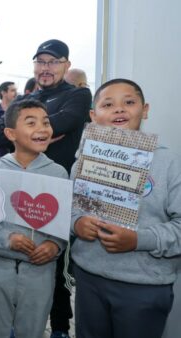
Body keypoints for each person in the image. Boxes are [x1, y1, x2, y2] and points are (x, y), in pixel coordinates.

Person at [0, 39, 92, 338]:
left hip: (57, 190)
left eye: (53, 62)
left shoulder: (78, 94)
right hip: (20, 190)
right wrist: (47, 131)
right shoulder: (27, 97)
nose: (45, 68)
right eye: (41, 62)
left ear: (66, 65)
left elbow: (66, 121)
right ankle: (15, 324)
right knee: (18, 254)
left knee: (55, 260)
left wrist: (32, 131)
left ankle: (60, 328)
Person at [71, 78, 181, 338]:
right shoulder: (83, 161)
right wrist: (76, 223)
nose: (119, 109)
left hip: (144, 286)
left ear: (145, 110)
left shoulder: (168, 163)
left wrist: (138, 240)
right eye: (108, 104)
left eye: (129, 102)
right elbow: (68, 209)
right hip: (89, 278)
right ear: (93, 116)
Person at [0, 99, 67, 338]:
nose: (42, 128)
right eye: (31, 123)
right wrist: (7, 239)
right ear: (10, 133)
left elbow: (62, 223)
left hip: (40, 273)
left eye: (46, 122)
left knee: (32, 330)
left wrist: (55, 245)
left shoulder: (58, 173)